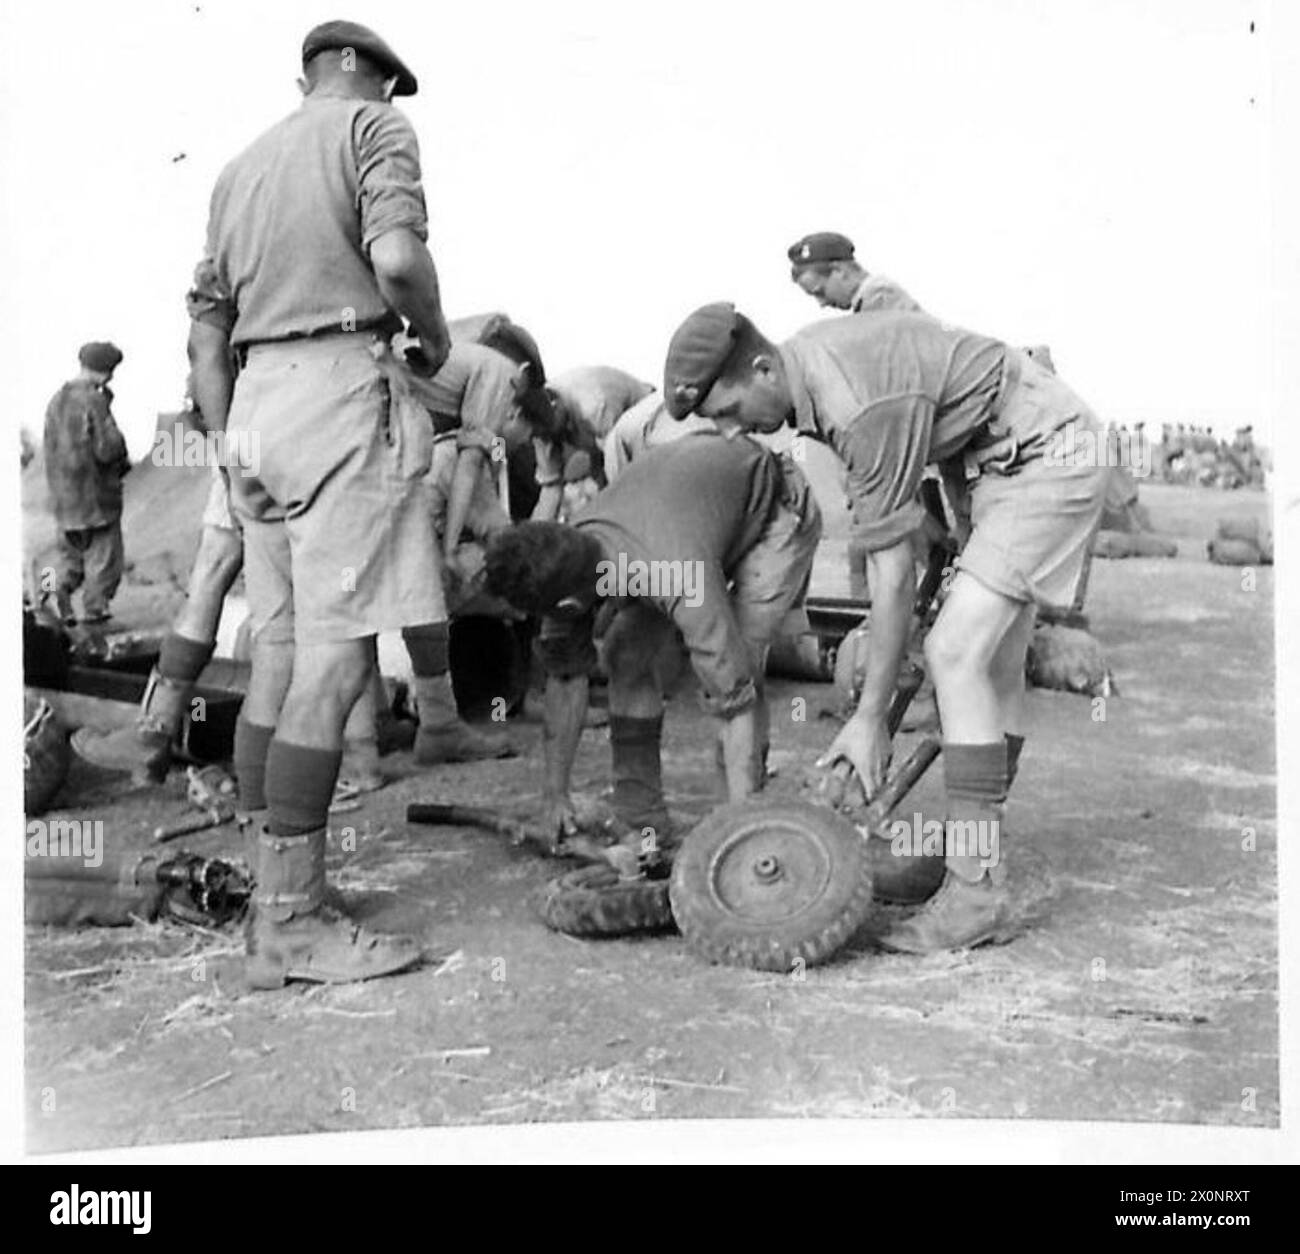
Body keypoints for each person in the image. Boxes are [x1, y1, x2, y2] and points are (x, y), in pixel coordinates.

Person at [662, 302, 1108, 953]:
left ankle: (976, 890)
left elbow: (893, 574)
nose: (734, 432)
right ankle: (970, 848)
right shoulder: (813, 377)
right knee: (994, 666)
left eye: (730, 411)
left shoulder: (850, 399)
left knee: (955, 653)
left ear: (762, 368)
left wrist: (871, 719)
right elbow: (899, 533)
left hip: (1043, 452)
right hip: (992, 457)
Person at [186, 19, 456, 988]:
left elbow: (205, 337)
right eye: (388, 86)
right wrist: (431, 338)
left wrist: (227, 445)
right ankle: (289, 923)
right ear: (366, 71)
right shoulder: (370, 130)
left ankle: (271, 883)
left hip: (254, 404)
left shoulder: (238, 168)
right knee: (339, 662)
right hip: (341, 387)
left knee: (280, 644)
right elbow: (395, 260)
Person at [484, 426, 821, 848]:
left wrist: (739, 849)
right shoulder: (565, 551)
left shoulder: (677, 578)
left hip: (774, 506)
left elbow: (736, 701)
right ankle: (641, 812)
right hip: (689, 511)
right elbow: (566, 677)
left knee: (738, 672)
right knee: (626, 652)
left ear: (569, 605)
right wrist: (555, 797)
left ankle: (746, 826)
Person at [41, 342, 131, 625]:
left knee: (69, 562)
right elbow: (108, 448)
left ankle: (48, 598)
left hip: (64, 502)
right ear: (107, 371)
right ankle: (95, 613)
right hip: (96, 500)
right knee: (104, 562)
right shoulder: (94, 400)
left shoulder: (56, 399)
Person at [787, 231, 923, 314]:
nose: (822, 303)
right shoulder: (871, 300)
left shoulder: (881, 300)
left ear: (839, 271)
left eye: (820, 292)